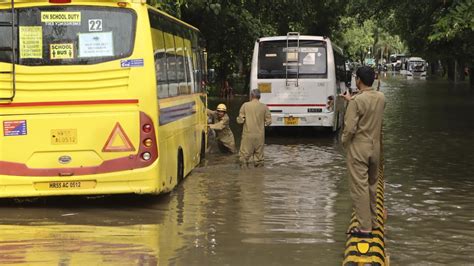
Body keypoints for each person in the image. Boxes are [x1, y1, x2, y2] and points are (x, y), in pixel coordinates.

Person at [340, 66, 385, 237]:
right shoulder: (381, 97)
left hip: (359, 147)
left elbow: (350, 128)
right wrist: (351, 100)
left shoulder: (356, 102)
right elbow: (371, 110)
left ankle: (364, 228)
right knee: (373, 185)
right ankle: (373, 221)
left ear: (358, 80)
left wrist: (344, 142)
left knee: (359, 187)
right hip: (375, 147)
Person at [236, 89, 271, 167]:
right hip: (259, 136)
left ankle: (245, 177)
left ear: (251, 96)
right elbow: (269, 122)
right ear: (259, 97)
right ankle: (258, 177)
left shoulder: (245, 105)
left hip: (248, 135)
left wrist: (238, 119)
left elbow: (240, 121)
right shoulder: (264, 107)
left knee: (244, 158)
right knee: (259, 159)